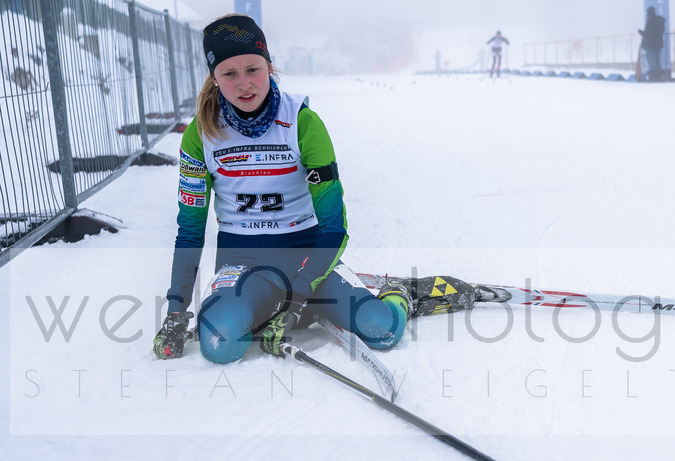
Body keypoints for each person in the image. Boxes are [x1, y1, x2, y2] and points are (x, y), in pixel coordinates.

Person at [153, 14, 471, 363]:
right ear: (214, 78)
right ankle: (275, 305)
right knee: (219, 344)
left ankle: (397, 295)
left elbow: (335, 227)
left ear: (269, 67)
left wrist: (298, 296)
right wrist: (176, 310)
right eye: (230, 73)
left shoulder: (302, 122)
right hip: (241, 261)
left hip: (307, 256)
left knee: (380, 330)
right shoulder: (200, 133)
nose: (244, 84)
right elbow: (190, 230)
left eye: (253, 69)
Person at [638, 7, 666, 82]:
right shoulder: (660, 21)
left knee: (651, 61)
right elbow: (660, 32)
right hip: (659, 44)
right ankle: (659, 76)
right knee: (657, 61)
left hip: (650, 44)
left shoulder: (650, 21)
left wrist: (641, 33)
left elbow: (648, 34)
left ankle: (653, 77)